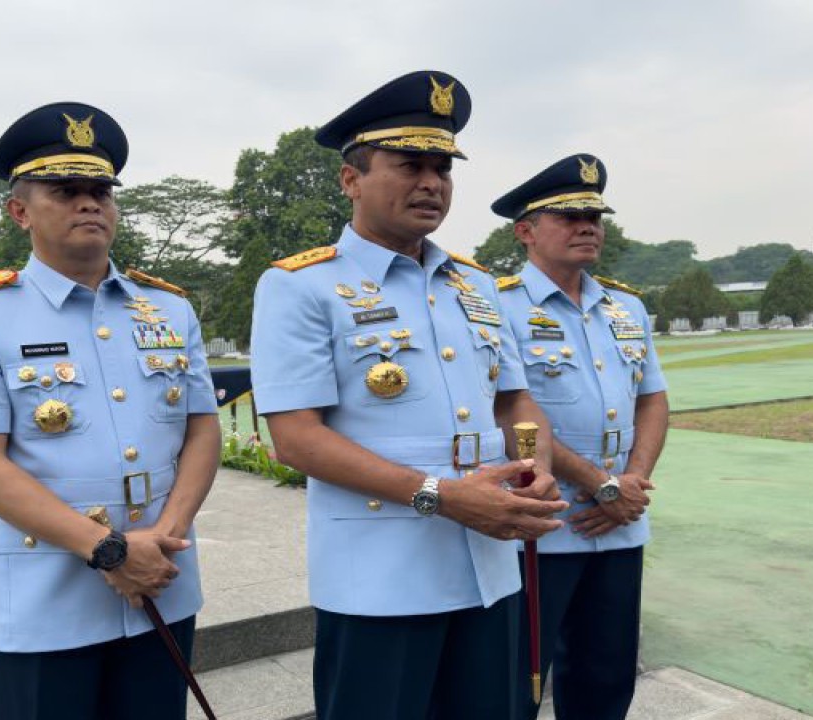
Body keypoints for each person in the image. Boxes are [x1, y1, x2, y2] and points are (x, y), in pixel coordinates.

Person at [250, 70, 568, 720]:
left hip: (488, 569)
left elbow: (513, 401)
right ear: (351, 179)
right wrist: (442, 496)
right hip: (379, 580)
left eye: (443, 168)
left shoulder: (475, 286)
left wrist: (537, 465)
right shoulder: (300, 287)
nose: (432, 182)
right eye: (409, 165)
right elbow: (295, 437)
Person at [0, 102, 221, 720]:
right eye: (66, 191)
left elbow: (201, 429)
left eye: (101, 191)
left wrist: (163, 539)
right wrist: (111, 551)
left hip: (161, 586)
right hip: (42, 599)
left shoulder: (167, 309)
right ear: (19, 211)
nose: (91, 203)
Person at [491, 154, 670, 720]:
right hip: (542, 527)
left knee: (607, 672)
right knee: (521, 677)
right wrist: (600, 485)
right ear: (525, 231)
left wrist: (631, 482)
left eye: (595, 216)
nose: (587, 226)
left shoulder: (626, 307)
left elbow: (653, 399)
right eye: (568, 215)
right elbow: (508, 411)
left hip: (619, 524)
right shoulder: (494, 305)